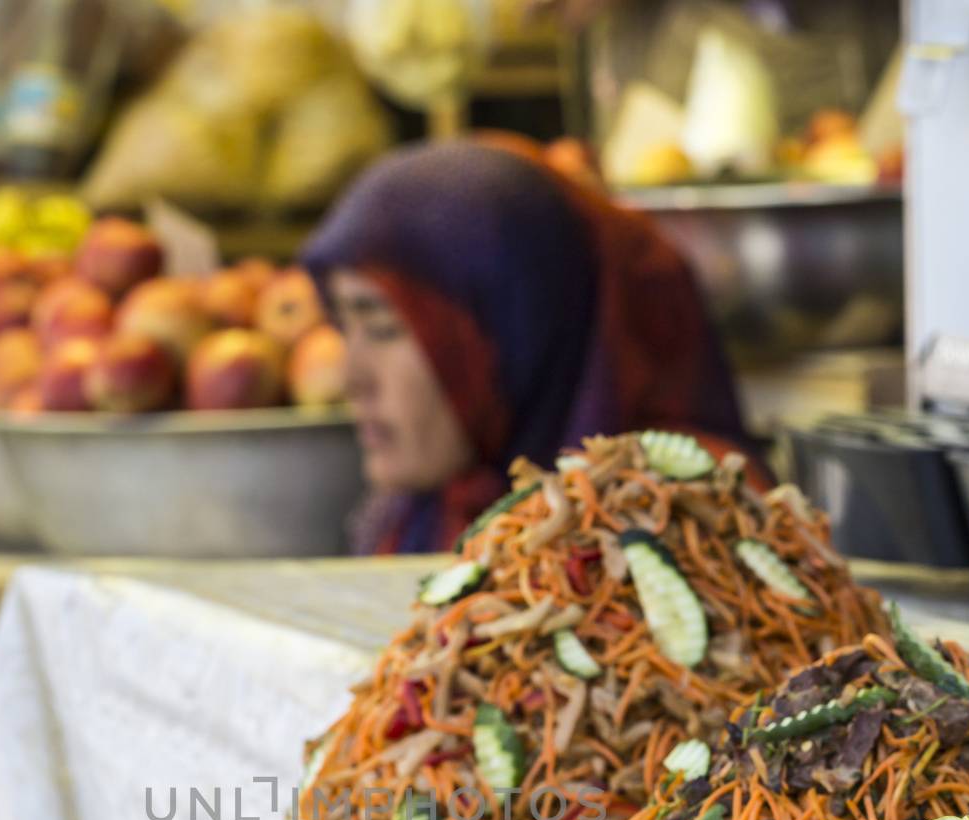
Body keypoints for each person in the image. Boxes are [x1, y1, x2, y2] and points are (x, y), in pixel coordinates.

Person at [301, 135, 751, 555]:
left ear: (517, 328)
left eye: (383, 329)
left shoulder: (691, 515)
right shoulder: (423, 515)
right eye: (342, 327)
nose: (351, 380)